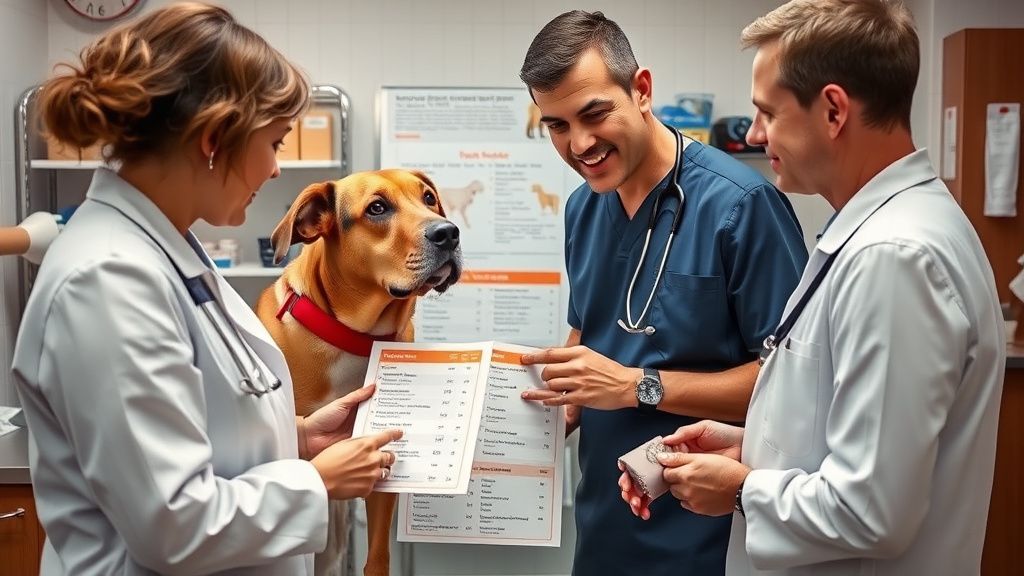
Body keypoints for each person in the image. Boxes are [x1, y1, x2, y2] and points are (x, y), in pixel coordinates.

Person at [11, 4, 401, 574]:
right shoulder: (107, 280)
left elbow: (195, 428)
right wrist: (315, 482)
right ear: (215, 138)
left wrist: (296, 439)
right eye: (274, 142)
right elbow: (173, 523)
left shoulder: (168, 251)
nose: (274, 171)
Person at [639, 1, 1006, 575]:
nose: (756, 133)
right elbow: (855, 443)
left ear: (833, 110)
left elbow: (870, 511)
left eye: (767, 113)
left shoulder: (894, 258)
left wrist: (741, 491)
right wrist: (751, 446)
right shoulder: (880, 232)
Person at [517, 10, 808, 575]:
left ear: (641, 90)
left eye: (594, 113)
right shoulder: (583, 208)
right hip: (606, 526)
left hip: (708, 534)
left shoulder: (740, 206)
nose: (579, 144)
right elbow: (589, 338)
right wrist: (540, 409)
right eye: (556, 125)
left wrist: (636, 387)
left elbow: (791, 386)